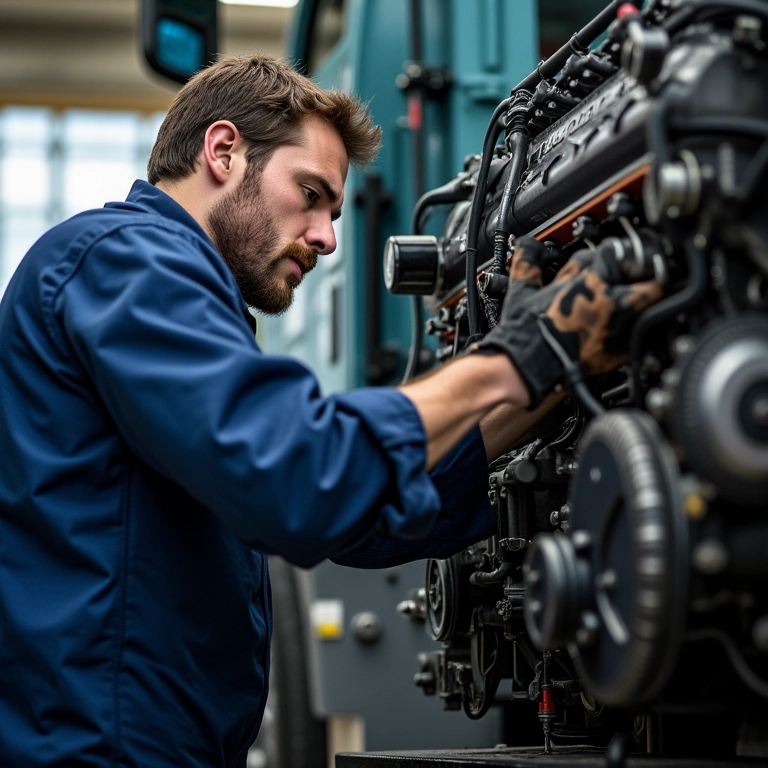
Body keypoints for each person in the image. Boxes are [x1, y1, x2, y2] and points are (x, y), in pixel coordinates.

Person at [0, 54, 662, 767]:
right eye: (309, 193)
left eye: (334, 210)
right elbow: (294, 471)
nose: (326, 237)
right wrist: (514, 358)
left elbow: (357, 514)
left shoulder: (173, 289)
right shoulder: (126, 259)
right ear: (222, 151)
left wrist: (549, 375)